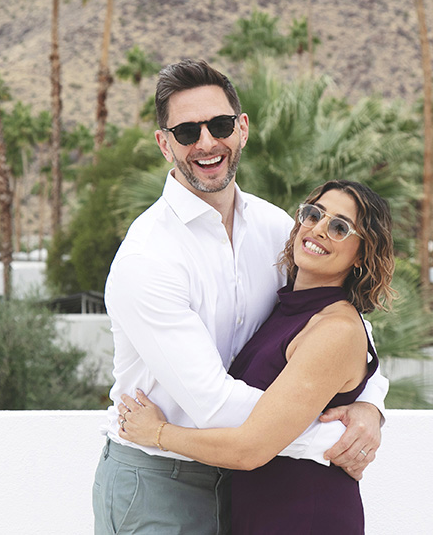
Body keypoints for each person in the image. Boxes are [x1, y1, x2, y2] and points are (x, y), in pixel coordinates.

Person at [92, 59, 388, 535]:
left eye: (220, 125)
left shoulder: (278, 229)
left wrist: (370, 404)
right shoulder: (147, 257)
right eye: (187, 131)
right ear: (165, 144)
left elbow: (345, 327)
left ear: (242, 129)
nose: (207, 143)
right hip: (161, 479)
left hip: (248, 484)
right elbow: (211, 403)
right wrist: (327, 440)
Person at [117, 180, 395, 534]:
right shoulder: (288, 307)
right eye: (314, 214)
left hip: (304, 514)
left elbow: (249, 449)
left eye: (340, 227)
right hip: (260, 509)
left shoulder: (335, 328)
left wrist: (157, 432)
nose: (319, 229)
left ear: (361, 255)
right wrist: (370, 406)